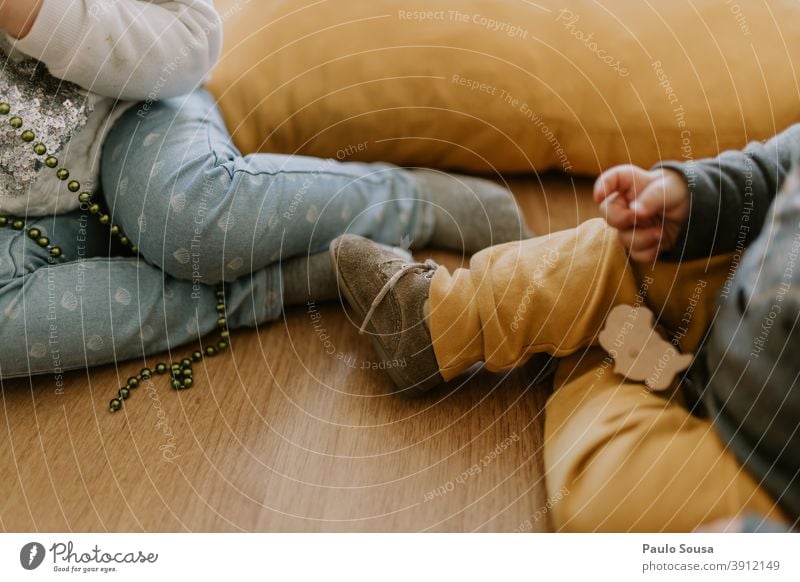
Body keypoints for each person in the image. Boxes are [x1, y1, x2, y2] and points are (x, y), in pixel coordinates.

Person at [0, 0, 528, 391]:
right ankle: (294, 277)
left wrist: (40, 17)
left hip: (136, 116)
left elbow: (189, 41)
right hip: (23, 214)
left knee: (189, 221)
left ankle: (406, 199)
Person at [330, 125, 800, 531]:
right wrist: (692, 195)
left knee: (612, 503)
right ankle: (436, 319)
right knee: (616, 251)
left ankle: (596, 352)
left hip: (765, 476)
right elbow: (775, 167)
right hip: (740, 294)